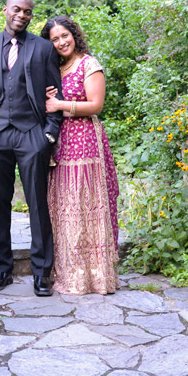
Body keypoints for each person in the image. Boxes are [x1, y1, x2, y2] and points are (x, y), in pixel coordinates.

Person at [0, 0, 63, 297]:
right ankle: (1, 270)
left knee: (37, 204)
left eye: (28, 12)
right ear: (5, 10)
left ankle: (40, 273)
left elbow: (54, 95)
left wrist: (48, 134)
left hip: (31, 135)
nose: (22, 15)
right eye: (17, 9)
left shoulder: (44, 48)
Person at [41, 15, 121, 295]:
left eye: (65, 35)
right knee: (64, 209)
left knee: (86, 206)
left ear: (74, 35)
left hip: (86, 143)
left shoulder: (89, 64)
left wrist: (59, 105)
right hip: (60, 146)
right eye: (55, 39)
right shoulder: (55, 68)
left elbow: (96, 105)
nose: (61, 42)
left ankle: (96, 277)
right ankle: (70, 274)